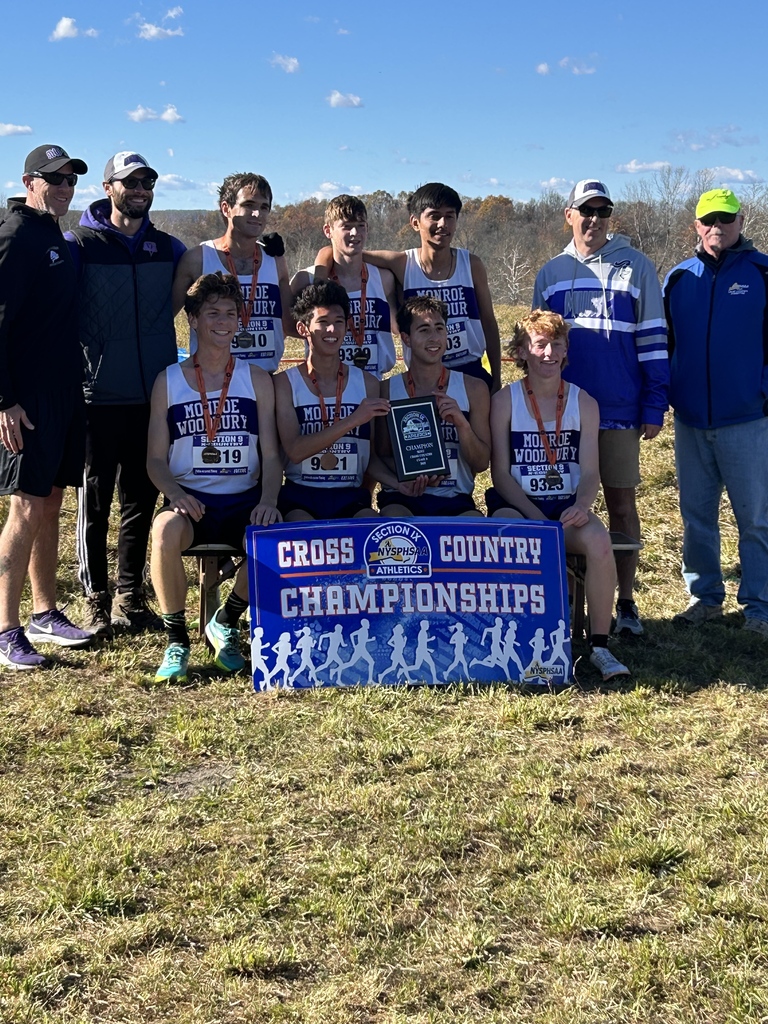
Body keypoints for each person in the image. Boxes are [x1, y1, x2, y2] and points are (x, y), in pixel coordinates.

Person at [533, 179, 669, 637]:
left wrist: (654, 402)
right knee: (564, 504)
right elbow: (537, 345)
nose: (593, 219)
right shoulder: (550, 273)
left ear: (611, 217)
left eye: (602, 211)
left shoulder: (637, 267)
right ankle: (569, 604)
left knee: (621, 505)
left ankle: (626, 602)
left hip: (618, 408)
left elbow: (653, 338)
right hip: (561, 411)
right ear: (568, 215)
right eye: (584, 210)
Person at [66, 151, 186, 638]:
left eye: (148, 182)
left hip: (152, 396)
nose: (140, 189)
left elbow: (221, 265)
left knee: (141, 498)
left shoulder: (169, 247)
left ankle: (128, 596)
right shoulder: (80, 243)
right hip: (97, 395)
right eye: (130, 181)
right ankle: (95, 598)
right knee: (95, 501)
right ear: (108, 186)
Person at [146, 272, 282, 682]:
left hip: (244, 497)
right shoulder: (167, 380)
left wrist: (270, 499)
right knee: (165, 530)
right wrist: (173, 493)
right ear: (192, 319)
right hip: (192, 498)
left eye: (230, 313)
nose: (222, 321)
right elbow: (154, 459)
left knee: (275, 536)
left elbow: (272, 455)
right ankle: (177, 641)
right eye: (212, 313)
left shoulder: (257, 379)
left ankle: (227, 619)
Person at [487, 310, 630, 682]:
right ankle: (515, 641)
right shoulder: (505, 402)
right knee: (509, 537)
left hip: (566, 507)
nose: (548, 353)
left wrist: (582, 506)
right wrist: (534, 517)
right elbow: (500, 475)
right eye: (539, 345)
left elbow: (590, 471)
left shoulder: (585, 403)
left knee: (599, 543)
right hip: (519, 507)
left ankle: (599, 645)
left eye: (556, 344)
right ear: (521, 352)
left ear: (567, 349)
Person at [0, 144, 93, 668]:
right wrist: (4, 400)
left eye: (70, 180)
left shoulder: (53, 233)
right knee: (26, 506)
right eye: (53, 179)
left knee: (52, 500)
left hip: (63, 391)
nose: (63, 187)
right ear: (29, 181)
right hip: (26, 399)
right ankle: (6, 629)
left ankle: (44, 612)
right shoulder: (16, 236)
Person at [663, 189, 768, 636]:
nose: (717, 228)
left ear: (741, 222)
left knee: (756, 518)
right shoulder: (678, 279)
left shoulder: (763, 271)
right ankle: (705, 596)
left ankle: (760, 606)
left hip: (747, 419)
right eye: (709, 220)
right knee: (696, 515)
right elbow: (665, 345)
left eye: (726, 219)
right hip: (690, 420)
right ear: (696, 224)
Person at [315, 182, 501, 390]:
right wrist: (321, 272)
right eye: (434, 216)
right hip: (422, 375)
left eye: (450, 216)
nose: (443, 223)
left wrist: (497, 375)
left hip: (469, 370)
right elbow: (342, 250)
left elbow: (489, 322)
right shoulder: (403, 264)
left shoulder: (471, 264)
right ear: (415, 223)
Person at [274, 281, 389, 521]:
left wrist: (400, 484)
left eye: (338, 322)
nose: (331, 331)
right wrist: (354, 419)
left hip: (350, 495)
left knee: (374, 534)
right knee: (304, 539)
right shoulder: (285, 383)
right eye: (323, 322)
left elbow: (371, 458)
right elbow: (295, 451)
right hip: (301, 496)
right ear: (303, 328)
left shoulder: (369, 384)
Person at [376, 295, 490, 516]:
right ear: (406, 338)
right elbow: (381, 455)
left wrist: (462, 426)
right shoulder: (387, 389)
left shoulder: (474, 389)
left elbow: (481, 462)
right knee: (395, 526)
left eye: (439, 328)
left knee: (476, 531)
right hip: (403, 498)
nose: (434, 338)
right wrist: (411, 474)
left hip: (455, 499)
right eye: (424, 330)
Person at [172, 172, 292, 373]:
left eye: (264, 207)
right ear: (226, 208)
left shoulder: (276, 260)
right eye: (249, 205)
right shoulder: (198, 258)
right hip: (211, 380)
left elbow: (290, 324)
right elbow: (164, 320)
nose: (257, 214)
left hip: (265, 379)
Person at [290, 195, 399, 379]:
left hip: (373, 381)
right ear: (328, 230)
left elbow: (398, 328)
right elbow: (288, 327)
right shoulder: (305, 279)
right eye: (346, 226)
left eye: (360, 225)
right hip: (325, 384)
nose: (355, 233)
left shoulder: (384, 278)